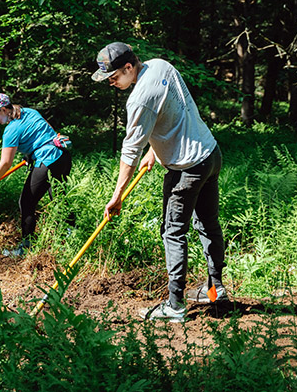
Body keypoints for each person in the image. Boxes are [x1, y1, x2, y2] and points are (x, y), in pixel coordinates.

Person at [92, 42, 227, 323]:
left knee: (173, 232)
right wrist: (155, 150)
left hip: (187, 169)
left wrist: (117, 195)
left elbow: (130, 152)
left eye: (114, 77)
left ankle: (175, 306)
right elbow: (175, 110)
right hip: (210, 154)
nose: (111, 83)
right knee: (208, 224)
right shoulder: (160, 65)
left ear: (129, 67)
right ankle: (216, 289)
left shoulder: (139, 98)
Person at [0, 93, 72, 257]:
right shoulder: (30, 112)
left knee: (26, 202)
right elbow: (47, 133)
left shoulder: (11, 130)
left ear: (4, 109)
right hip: (62, 156)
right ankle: (73, 237)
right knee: (59, 197)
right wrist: (29, 154)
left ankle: (26, 249)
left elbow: (5, 163)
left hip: (47, 160)